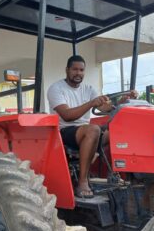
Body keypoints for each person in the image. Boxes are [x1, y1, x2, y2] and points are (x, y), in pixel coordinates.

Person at [47, 55, 114, 198]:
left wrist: (120, 101)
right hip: (64, 132)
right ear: (67, 70)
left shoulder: (88, 88)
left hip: (85, 131)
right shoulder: (56, 89)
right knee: (93, 129)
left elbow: (104, 108)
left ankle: (114, 176)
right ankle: (83, 182)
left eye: (81, 70)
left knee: (116, 131)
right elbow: (67, 115)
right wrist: (91, 103)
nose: (78, 73)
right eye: (75, 69)